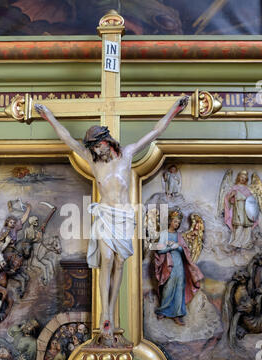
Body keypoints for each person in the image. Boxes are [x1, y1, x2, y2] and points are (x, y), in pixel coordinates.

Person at [35, 96, 189, 339]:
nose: (96, 151)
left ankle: (112, 310)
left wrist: (174, 110)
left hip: (125, 216)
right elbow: (68, 140)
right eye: (93, 148)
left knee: (119, 262)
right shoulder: (94, 162)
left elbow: (155, 132)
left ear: (107, 142)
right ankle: (104, 314)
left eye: (98, 146)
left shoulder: (126, 155)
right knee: (106, 259)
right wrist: (49, 117)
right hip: (106, 214)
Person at [154, 209, 203, 326]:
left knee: (179, 287)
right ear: (170, 221)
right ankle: (164, 310)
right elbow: (159, 249)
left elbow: (184, 249)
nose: (176, 224)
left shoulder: (179, 235)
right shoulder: (164, 234)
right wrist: (170, 247)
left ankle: (177, 314)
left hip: (179, 263)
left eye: (178, 223)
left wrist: (178, 246)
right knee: (168, 287)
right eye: (175, 222)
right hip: (168, 264)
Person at [224, 170, 257, 249]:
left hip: (246, 208)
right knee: (239, 225)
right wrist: (233, 195)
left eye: (244, 178)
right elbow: (228, 198)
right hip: (238, 207)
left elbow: (252, 200)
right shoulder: (235, 187)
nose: (243, 179)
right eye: (241, 177)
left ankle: (246, 242)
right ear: (238, 177)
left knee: (247, 226)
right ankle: (236, 241)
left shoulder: (247, 189)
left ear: (246, 180)